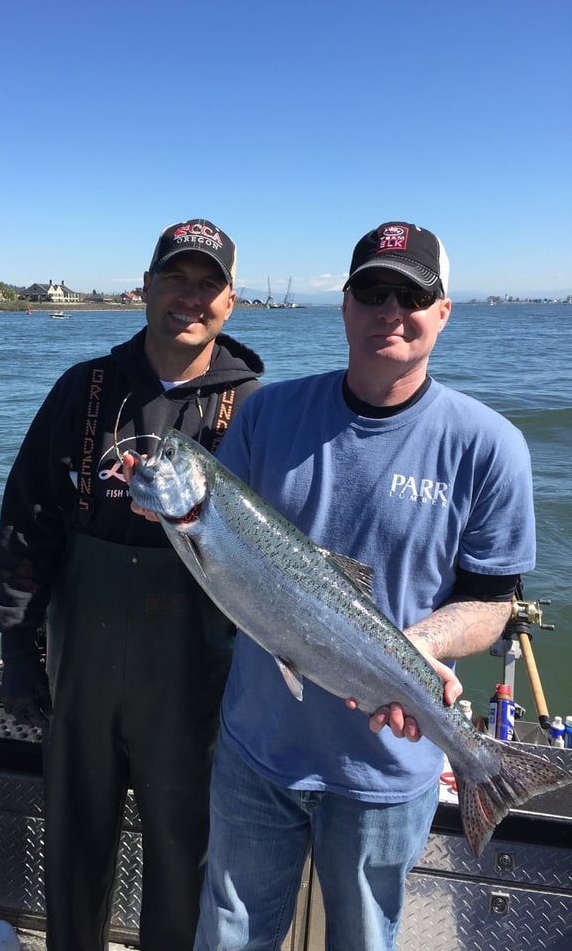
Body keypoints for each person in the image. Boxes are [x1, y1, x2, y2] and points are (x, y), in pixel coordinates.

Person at [191, 221, 536, 951]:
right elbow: (220, 551)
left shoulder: (489, 447)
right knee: (228, 940)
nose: (392, 310)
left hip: (387, 767)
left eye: (413, 294)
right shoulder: (267, 414)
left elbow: (492, 605)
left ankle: (487, 772)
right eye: (374, 291)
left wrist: (416, 648)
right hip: (257, 749)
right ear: (345, 306)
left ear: (444, 311)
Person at [0, 218, 263, 951]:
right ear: (144, 288)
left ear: (230, 302)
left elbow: (278, 560)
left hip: (197, 669)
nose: (189, 298)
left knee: (187, 852)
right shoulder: (82, 389)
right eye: (174, 278)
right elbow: (28, 523)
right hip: (82, 653)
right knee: (74, 839)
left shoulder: (258, 408)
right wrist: (19, 648)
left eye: (207, 285)